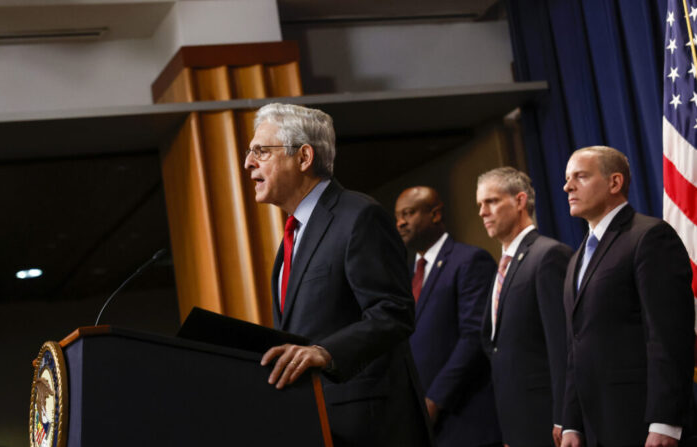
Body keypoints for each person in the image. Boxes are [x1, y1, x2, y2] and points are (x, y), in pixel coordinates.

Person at [244, 103, 431, 447]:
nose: (248, 162)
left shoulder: (360, 217)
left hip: (369, 427)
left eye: (261, 151)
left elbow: (394, 312)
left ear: (303, 157)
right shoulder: (293, 235)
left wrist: (326, 352)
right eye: (249, 151)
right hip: (318, 421)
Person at [560, 146, 694, 447]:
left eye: (580, 176)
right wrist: (572, 422)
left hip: (642, 423)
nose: (567, 186)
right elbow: (575, 345)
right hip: (594, 428)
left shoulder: (649, 238)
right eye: (567, 178)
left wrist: (665, 421)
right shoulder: (577, 258)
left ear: (615, 182)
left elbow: (669, 335)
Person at [395, 185, 502, 447]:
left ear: (435, 213)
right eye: (397, 216)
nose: (400, 223)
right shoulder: (406, 276)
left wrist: (435, 400)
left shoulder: (469, 261)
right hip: (427, 427)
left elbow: (473, 337)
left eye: (408, 213)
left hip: (466, 419)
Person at [476, 167, 572, 447]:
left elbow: (561, 346)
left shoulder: (547, 256)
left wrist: (564, 419)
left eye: (491, 201)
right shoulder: (503, 264)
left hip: (547, 423)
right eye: (479, 205)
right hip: (516, 423)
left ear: (519, 201)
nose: (482, 212)